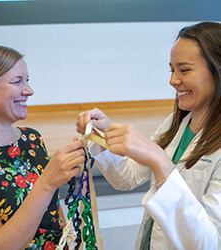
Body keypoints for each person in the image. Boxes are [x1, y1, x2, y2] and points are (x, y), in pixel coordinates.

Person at [76, 22, 221, 249]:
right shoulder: (175, 125)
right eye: (172, 70)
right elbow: (126, 178)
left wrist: (160, 161)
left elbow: (209, 243)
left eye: (184, 70)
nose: (173, 80)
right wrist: (104, 136)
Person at [0, 45, 85, 249]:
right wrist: (47, 182)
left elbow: (52, 216)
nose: (29, 91)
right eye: (17, 82)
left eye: (27, 80)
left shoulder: (32, 139)